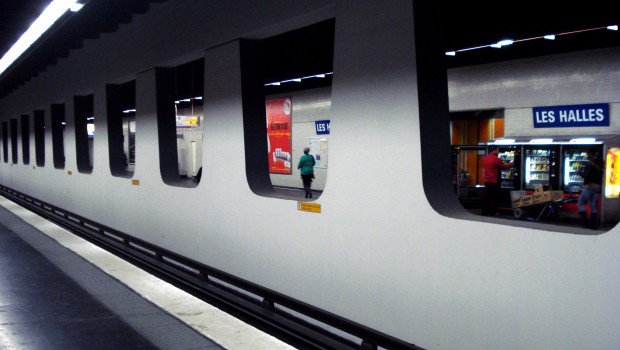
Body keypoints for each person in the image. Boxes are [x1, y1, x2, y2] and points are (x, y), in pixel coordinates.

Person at [482, 146, 513, 216]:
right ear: (494, 150)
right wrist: (511, 163)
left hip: (487, 180)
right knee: (494, 197)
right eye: (498, 150)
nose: (498, 151)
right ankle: (493, 212)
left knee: (487, 197)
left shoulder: (485, 158)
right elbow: (504, 167)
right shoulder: (496, 159)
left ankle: (485, 211)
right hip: (494, 181)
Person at [578, 150, 604, 229]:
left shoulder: (590, 164)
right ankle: (594, 224)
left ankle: (585, 222)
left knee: (580, 202)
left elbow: (587, 175)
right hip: (598, 186)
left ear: (590, 154)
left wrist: (579, 172)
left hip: (590, 186)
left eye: (587, 154)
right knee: (593, 205)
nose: (587, 155)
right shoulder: (600, 162)